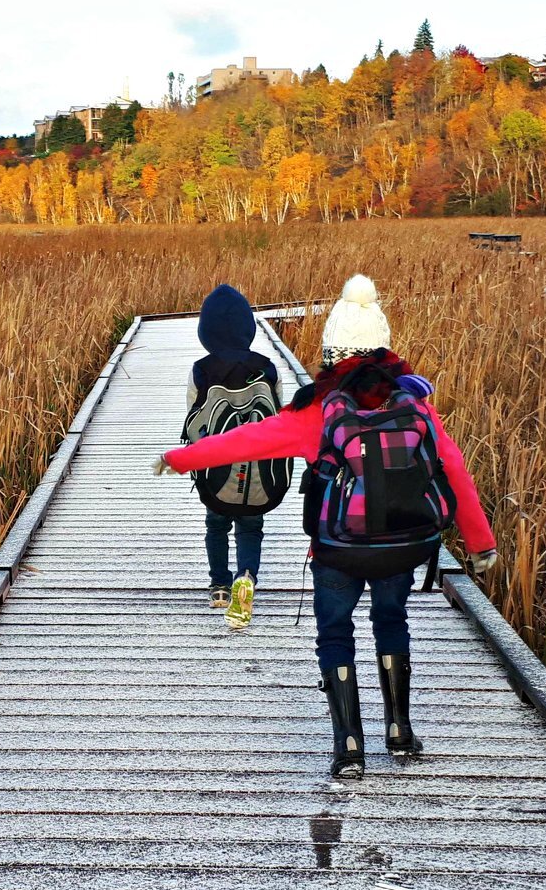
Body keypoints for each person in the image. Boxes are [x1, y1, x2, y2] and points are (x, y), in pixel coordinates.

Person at [157, 275, 497, 778]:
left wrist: (182, 457)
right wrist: (481, 543)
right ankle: (400, 732)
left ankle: (349, 745)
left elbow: (247, 442)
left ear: (330, 350)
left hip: (338, 549)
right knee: (391, 621)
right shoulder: (414, 403)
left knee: (335, 632)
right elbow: (454, 470)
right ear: (384, 346)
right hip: (405, 545)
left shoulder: (318, 410)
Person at [180, 284, 291, 629]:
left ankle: (219, 587)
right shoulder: (267, 368)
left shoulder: (201, 370)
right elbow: (280, 414)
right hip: (259, 468)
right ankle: (246, 577)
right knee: (251, 526)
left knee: (216, 524)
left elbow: (192, 419)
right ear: (247, 328)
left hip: (216, 468)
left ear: (206, 331)